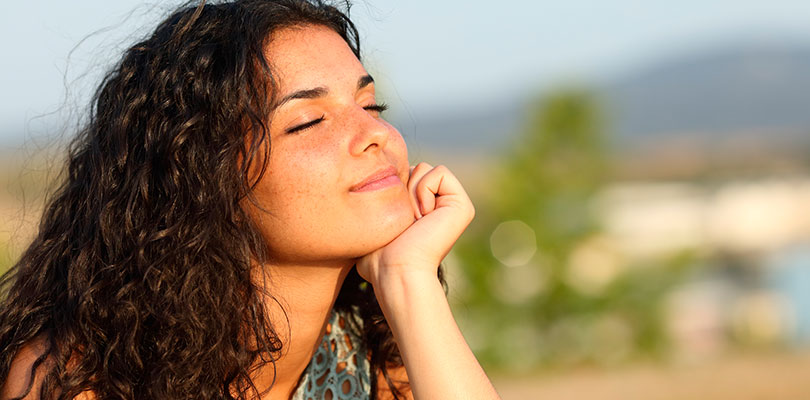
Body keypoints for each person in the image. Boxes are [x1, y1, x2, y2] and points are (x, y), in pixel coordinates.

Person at [0, 0, 500, 399]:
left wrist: (410, 281)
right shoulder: (85, 381)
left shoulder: (372, 350)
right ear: (203, 180)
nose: (376, 134)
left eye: (371, 105)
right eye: (308, 121)